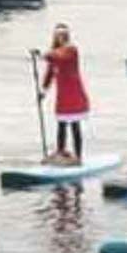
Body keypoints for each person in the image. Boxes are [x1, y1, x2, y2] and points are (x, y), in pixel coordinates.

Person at [38, 23, 90, 165]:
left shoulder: (71, 50)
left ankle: (78, 157)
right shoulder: (55, 54)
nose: (60, 38)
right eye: (58, 35)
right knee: (61, 124)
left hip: (74, 94)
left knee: (74, 124)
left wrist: (43, 55)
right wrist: (43, 91)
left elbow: (60, 56)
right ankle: (61, 152)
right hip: (62, 96)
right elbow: (49, 74)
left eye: (63, 35)